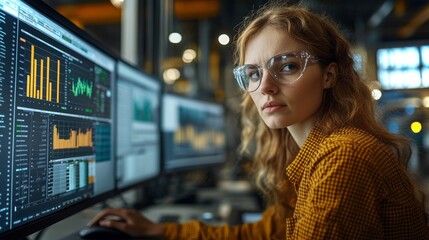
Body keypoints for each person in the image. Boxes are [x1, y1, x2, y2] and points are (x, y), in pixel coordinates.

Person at [88, 2, 429, 239]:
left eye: (288, 66)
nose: (265, 85)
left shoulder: (344, 156)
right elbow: (272, 233)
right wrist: (161, 230)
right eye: (253, 73)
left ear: (329, 75)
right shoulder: (307, 153)